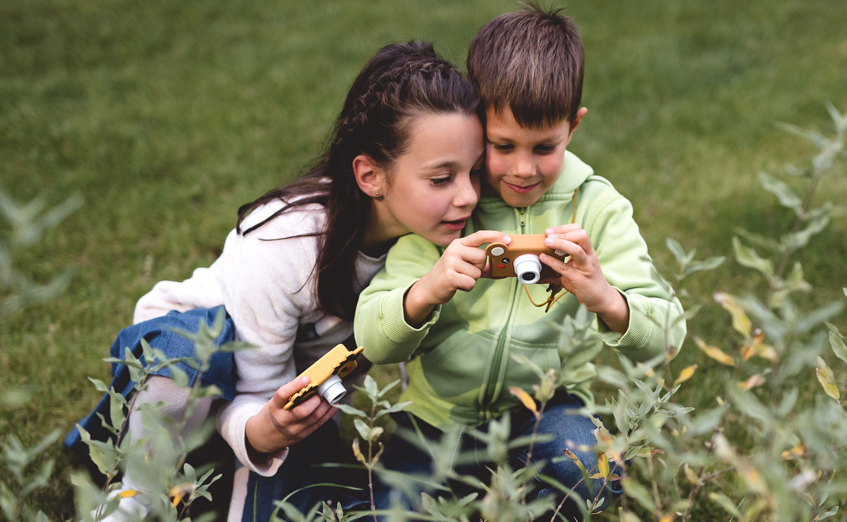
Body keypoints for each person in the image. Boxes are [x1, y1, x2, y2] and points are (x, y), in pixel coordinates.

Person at [66, 40, 490, 522]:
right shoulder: (288, 242)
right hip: (180, 381)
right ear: (371, 176)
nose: (468, 197)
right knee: (194, 354)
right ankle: (135, 498)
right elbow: (252, 385)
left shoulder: (428, 242)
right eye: (442, 179)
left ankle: (213, 474)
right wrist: (260, 432)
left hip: (286, 402)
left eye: (474, 172)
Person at [354, 5, 686, 516]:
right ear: (474, 126)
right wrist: (429, 287)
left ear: (573, 127)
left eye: (544, 146)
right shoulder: (453, 206)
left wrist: (605, 298)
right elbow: (372, 340)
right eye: (501, 145)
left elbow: (668, 336)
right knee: (386, 509)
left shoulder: (597, 208)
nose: (523, 169)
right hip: (435, 419)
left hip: (545, 409)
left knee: (591, 470)